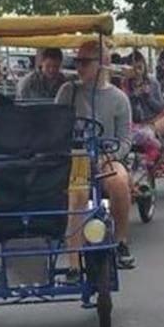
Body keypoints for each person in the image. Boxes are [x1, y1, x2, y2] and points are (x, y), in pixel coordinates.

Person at [55, 41, 135, 269]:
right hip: (76, 157)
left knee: (119, 180)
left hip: (107, 156)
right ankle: (74, 261)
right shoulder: (68, 92)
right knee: (76, 196)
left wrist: (109, 157)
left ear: (103, 64)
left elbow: (125, 140)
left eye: (85, 62)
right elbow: (55, 128)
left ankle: (121, 241)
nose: (79, 67)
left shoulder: (119, 99)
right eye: (77, 61)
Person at [122, 51, 162, 166]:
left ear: (144, 66)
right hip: (132, 124)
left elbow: (159, 108)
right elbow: (124, 106)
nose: (137, 72)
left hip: (150, 122)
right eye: (134, 69)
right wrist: (134, 95)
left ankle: (147, 160)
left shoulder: (153, 83)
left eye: (140, 67)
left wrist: (148, 96)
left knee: (148, 136)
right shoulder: (125, 83)